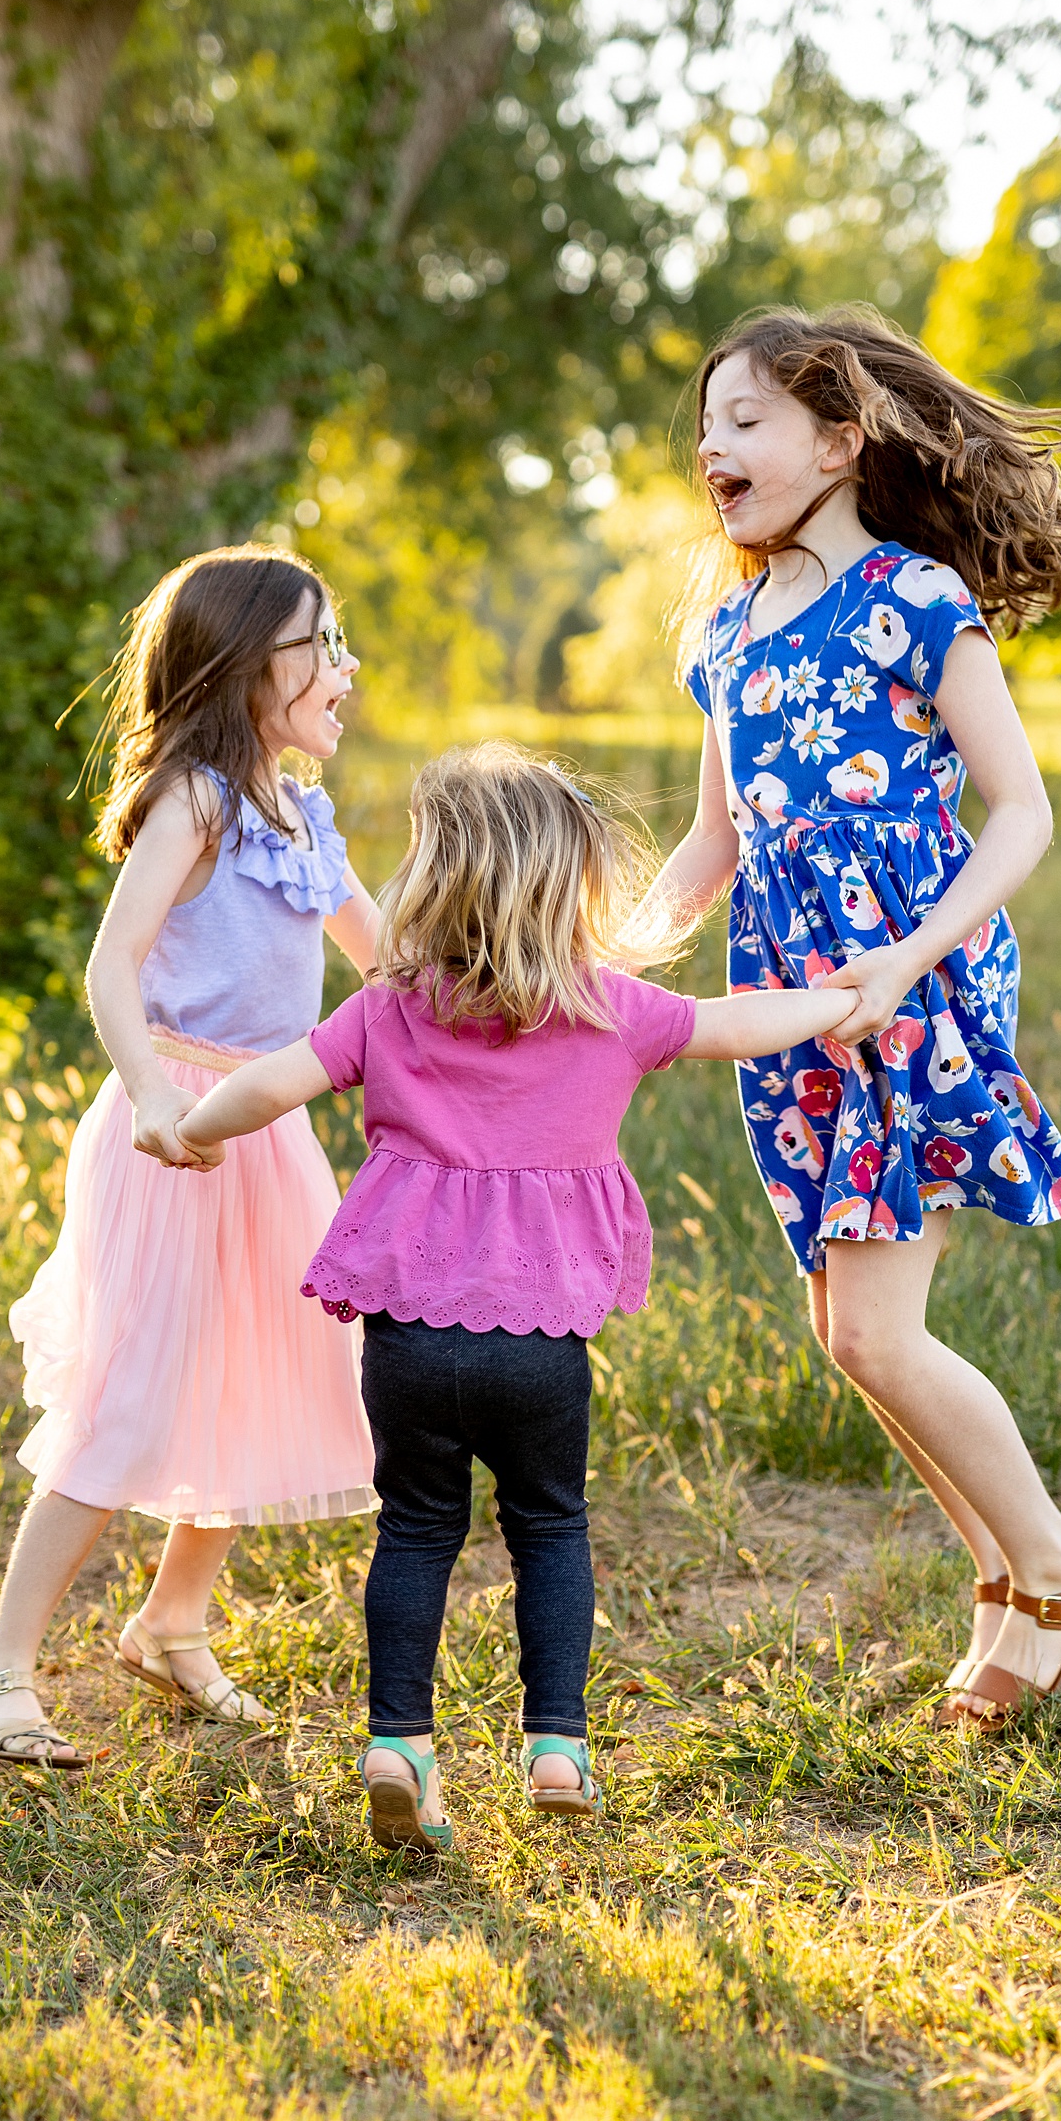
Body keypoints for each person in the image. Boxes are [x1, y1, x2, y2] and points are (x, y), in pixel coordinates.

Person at [173, 742, 861, 1848]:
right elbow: (735, 1022)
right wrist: (837, 996)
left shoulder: (387, 1009)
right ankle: (556, 1747)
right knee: (549, 1524)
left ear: (433, 879)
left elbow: (270, 1079)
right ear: (567, 884)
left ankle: (398, 1742)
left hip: (406, 1342)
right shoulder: (608, 1005)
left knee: (415, 1528)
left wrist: (191, 1128)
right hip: (538, 1346)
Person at [639, 305, 1061, 1731]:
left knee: (876, 1334)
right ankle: (1002, 1586)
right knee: (845, 1331)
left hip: (908, 985)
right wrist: (592, 950)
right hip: (790, 993)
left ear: (841, 444)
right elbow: (708, 848)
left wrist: (910, 961)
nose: (713, 448)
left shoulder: (917, 600)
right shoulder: (724, 633)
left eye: (746, 420)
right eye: (708, 425)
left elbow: (1022, 812)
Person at [0, 545, 380, 1768]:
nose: (345, 666)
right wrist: (145, 1091)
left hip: (267, 1125)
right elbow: (111, 962)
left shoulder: (306, 816)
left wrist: (507, 973)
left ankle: (170, 1621)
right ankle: (0, 1672)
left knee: (269, 1365)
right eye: (322, 642)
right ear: (253, 666)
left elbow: (384, 960)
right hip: (176, 1123)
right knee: (132, 1387)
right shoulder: (198, 797)